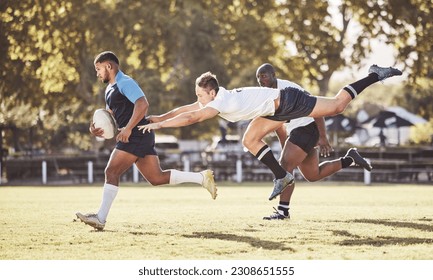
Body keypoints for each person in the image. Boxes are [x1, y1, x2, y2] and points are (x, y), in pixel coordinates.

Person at [138, 65, 401, 201]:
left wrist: (160, 127)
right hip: (272, 112)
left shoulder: (218, 102)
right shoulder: (214, 98)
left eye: (200, 95)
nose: (198, 99)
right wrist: (161, 116)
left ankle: (373, 76)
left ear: (212, 93)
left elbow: (192, 117)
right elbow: (191, 108)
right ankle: (282, 178)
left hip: (288, 102)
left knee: (336, 106)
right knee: (249, 140)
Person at [76, 51, 217, 231]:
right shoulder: (109, 89)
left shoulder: (125, 82)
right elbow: (110, 118)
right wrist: (96, 129)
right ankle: (202, 178)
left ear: (109, 66)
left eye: (98, 69)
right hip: (140, 134)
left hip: (136, 134)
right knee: (156, 178)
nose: (97, 73)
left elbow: (142, 104)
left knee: (111, 171)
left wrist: (127, 128)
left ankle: (100, 218)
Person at [256, 63, 373, 220]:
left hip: (307, 128)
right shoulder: (268, 95)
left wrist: (323, 137)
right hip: (299, 132)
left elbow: (317, 109)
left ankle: (283, 212)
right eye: (258, 78)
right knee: (312, 175)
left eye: (263, 76)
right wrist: (286, 146)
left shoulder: (287, 89)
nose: (260, 80)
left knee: (285, 166)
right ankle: (350, 159)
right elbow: (278, 126)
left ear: (273, 75)